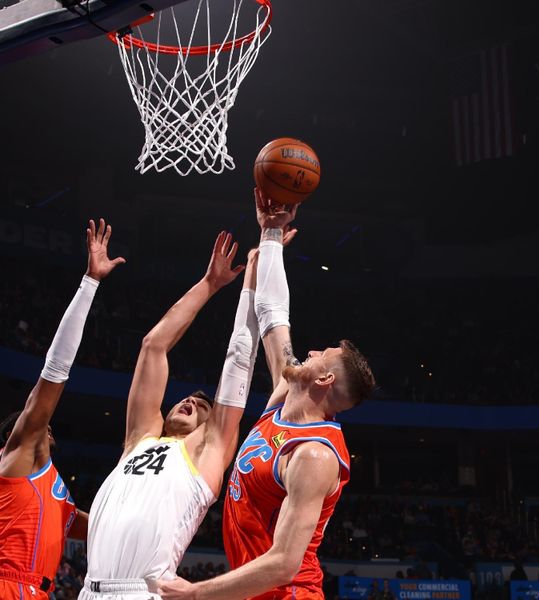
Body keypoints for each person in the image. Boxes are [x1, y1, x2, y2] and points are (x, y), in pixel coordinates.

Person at [158, 189, 376, 600]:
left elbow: (284, 563)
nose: (310, 351)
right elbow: (274, 315)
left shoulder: (314, 455)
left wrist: (195, 593)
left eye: (320, 355)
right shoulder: (283, 399)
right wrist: (271, 233)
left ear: (325, 380)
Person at [81, 226, 291, 600]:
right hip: (87, 591)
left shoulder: (207, 453)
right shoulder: (139, 441)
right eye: (186, 401)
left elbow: (239, 358)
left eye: (203, 408)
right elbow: (153, 346)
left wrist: (252, 282)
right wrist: (209, 283)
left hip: (141, 593)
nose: (190, 402)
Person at [0, 219, 125, 600]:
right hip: (7, 587)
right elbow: (55, 372)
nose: (47, 426)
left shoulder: (50, 486)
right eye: (41, 424)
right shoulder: (17, 455)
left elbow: (88, 525)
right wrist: (90, 284)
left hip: (30, 590)